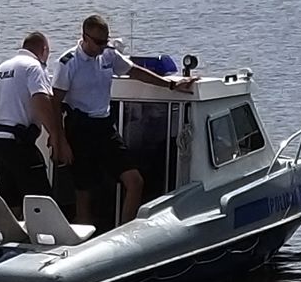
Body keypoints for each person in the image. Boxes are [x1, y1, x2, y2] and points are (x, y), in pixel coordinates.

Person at [53, 14, 196, 228]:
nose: (103, 46)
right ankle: (79, 240)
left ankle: (125, 231)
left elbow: (135, 72)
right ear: (84, 37)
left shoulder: (109, 55)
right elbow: (54, 103)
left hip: (104, 127)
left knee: (135, 181)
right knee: (85, 195)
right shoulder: (68, 63)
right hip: (79, 129)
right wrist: (60, 141)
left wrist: (170, 85)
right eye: (98, 42)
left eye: (106, 41)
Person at [0, 31, 63, 213]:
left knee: (11, 198)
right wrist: (55, 135)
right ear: (44, 50)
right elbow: (40, 100)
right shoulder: (34, 67)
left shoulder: (1, 69)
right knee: (42, 200)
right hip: (19, 144)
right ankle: (45, 237)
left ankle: (13, 235)